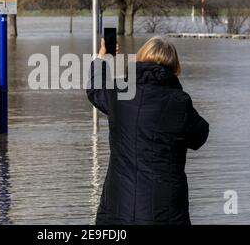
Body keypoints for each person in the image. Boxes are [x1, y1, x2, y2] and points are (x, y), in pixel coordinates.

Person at [87, 36, 209, 225]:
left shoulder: (119, 93)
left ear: (140, 58)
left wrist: (103, 59)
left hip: (118, 211)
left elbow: (95, 89)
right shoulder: (179, 102)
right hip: (164, 213)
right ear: (175, 66)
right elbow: (200, 135)